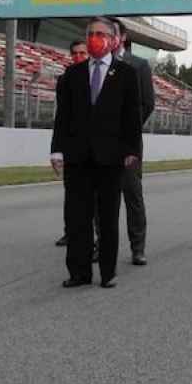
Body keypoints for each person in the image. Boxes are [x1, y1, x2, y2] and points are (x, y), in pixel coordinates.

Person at [49, 17, 143, 289]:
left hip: (110, 158)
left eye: (100, 34)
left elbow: (132, 116)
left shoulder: (125, 74)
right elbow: (62, 117)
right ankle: (79, 272)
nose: (94, 38)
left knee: (107, 215)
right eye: (90, 33)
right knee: (77, 216)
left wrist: (131, 150)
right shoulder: (73, 74)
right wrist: (57, 150)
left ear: (114, 40)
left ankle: (108, 271)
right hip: (77, 157)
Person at [109, 18, 157, 265]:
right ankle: (102, 244)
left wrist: (129, 128)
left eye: (111, 33)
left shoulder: (139, 65)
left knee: (132, 195)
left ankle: (138, 247)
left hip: (128, 142)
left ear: (123, 37)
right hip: (101, 141)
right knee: (102, 196)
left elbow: (148, 103)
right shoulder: (96, 64)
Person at [56, 38, 91, 247]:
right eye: (75, 54)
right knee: (71, 193)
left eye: (82, 53)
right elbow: (61, 115)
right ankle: (70, 232)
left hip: (95, 145)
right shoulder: (65, 79)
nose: (78, 57)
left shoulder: (97, 77)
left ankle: (95, 236)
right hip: (72, 144)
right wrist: (58, 148)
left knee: (94, 196)